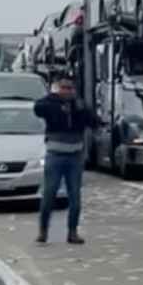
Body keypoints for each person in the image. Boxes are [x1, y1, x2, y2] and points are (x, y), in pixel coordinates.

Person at [33, 76, 95, 245]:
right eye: (64, 88)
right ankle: (43, 230)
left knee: (75, 196)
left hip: (75, 156)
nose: (67, 92)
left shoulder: (78, 106)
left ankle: (73, 232)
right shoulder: (50, 104)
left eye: (70, 89)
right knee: (49, 194)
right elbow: (38, 108)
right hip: (55, 155)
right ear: (58, 89)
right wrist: (55, 100)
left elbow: (93, 121)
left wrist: (82, 110)